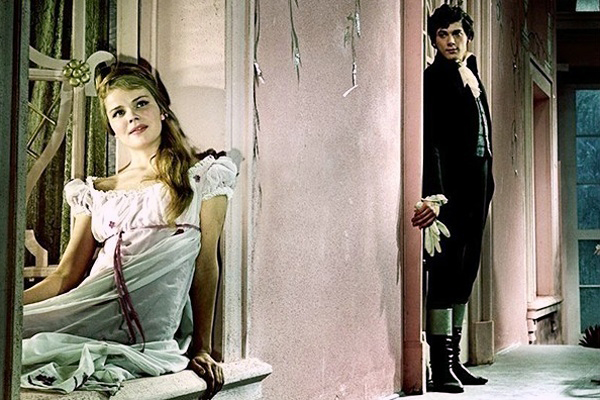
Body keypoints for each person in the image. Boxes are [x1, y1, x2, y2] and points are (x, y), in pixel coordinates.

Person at [21, 62, 237, 398]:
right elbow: (65, 276)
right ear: (111, 125)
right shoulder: (97, 193)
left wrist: (202, 347)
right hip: (84, 315)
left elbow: (206, 265)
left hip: (150, 342)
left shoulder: (204, 177)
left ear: (161, 109)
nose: (132, 117)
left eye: (141, 103)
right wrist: (10, 306)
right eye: (118, 112)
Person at [411, 4, 494, 394]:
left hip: (478, 190)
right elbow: (431, 142)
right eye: (442, 34)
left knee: (466, 272)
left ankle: (455, 361)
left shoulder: (472, 75)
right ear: (433, 40)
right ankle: (440, 368)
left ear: (468, 37)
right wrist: (435, 195)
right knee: (444, 274)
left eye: (456, 33)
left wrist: (489, 187)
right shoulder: (432, 80)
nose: (449, 41)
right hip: (449, 194)